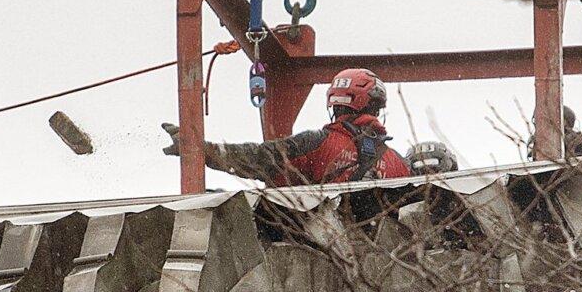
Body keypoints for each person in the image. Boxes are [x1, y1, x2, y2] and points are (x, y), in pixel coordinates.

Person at [161, 68, 412, 186]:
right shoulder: (400, 165)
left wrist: (200, 149)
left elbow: (258, 159)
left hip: (327, 268)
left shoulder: (317, 144)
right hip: (382, 279)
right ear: (377, 106)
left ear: (334, 104)